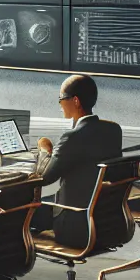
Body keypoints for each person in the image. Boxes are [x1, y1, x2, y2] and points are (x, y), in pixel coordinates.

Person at [30, 74, 122, 251]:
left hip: (73, 226)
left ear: (76, 101)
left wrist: (44, 149)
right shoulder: (113, 130)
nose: (60, 104)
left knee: (18, 211)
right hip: (104, 221)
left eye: (61, 99)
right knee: (45, 203)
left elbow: (44, 177)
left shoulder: (72, 137)